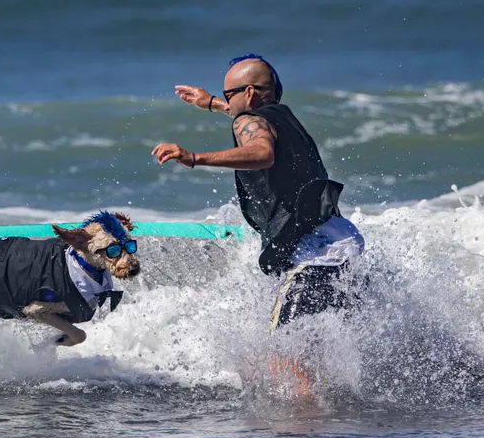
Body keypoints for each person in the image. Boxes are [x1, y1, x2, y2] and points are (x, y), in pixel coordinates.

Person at [152, 54, 365, 335]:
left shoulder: (249, 121)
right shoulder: (284, 119)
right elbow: (251, 119)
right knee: (323, 349)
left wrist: (194, 157)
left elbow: (262, 152)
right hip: (343, 243)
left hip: (314, 254)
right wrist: (211, 103)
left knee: (284, 352)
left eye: (229, 94)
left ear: (249, 93)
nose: (228, 102)